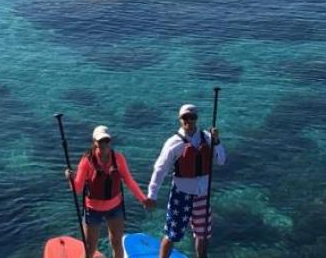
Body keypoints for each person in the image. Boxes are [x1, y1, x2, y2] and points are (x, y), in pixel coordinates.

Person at [147, 104, 227, 258]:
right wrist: (152, 195)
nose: (188, 121)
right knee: (172, 233)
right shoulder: (174, 143)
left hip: (203, 194)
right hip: (181, 194)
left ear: (196, 119)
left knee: (202, 235)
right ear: (180, 120)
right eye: (185, 117)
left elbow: (222, 160)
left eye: (192, 117)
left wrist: (217, 141)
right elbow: (160, 169)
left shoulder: (208, 138)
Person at [67, 125, 154, 258]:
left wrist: (143, 199)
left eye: (106, 141)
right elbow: (77, 189)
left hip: (115, 208)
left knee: (117, 243)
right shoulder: (86, 161)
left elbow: (129, 181)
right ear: (94, 142)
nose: (103, 144)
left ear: (110, 141)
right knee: (90, 247)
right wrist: (71, 179)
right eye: (100, 141)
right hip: (92, 209)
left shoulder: (118, 158)